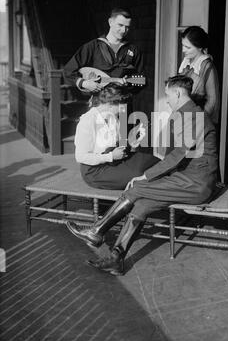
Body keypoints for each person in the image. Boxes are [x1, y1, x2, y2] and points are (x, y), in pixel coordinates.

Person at [66, 75, 219, 275]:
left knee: (136, 187)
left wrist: (146, 176)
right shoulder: (186, 114)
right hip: (185, 179)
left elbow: (177, 155)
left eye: (168, 95)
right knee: (142, 204)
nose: (167, 100)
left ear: (178, 93)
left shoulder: (193, 116)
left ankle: (96, 230)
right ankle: (116, 258)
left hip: (195, 183)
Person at [74, 83, 158, 190]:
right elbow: (81, 156)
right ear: (110, 104)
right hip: (95, 171)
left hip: (114, 162)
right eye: (121, 106)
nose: (122, 110)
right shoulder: (88, 120)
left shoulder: (113, 118)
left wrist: (133, 140)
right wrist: (110, 156)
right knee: (139, 174)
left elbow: (118, 146)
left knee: (151, 161)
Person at [63, 7, 144, 94]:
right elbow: (68, 72)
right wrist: (84, 83)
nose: (123, 30)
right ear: (110, 22)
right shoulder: (93, 47)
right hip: (99, 102)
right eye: (120, 25)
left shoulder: (133, 50)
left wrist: (127, 85)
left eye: (127, 27)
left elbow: (142, 80)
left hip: (123, 102)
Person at [178, 26, 220, 124]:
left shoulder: (207, 66)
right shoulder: (185, 64)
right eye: (183, 46)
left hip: (198, 122)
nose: (183, 50)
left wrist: (198, 121)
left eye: (188, 47)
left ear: (199, 47)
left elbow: (212, 101)